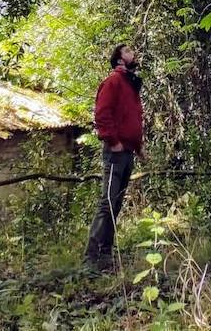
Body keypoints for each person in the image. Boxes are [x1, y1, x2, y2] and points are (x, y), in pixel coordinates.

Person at [83, 44, 144, 269]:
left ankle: (106, 254)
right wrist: (113, 141)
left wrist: (138, 147)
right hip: (115, 152)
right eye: (129, 50)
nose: (133, 53)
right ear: (119, 59)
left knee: (116, 203)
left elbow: (132, 119)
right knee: (107, 203)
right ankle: (91, 258)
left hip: (127, 152)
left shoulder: (130, 85)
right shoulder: (113, 82)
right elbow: (102, 114)